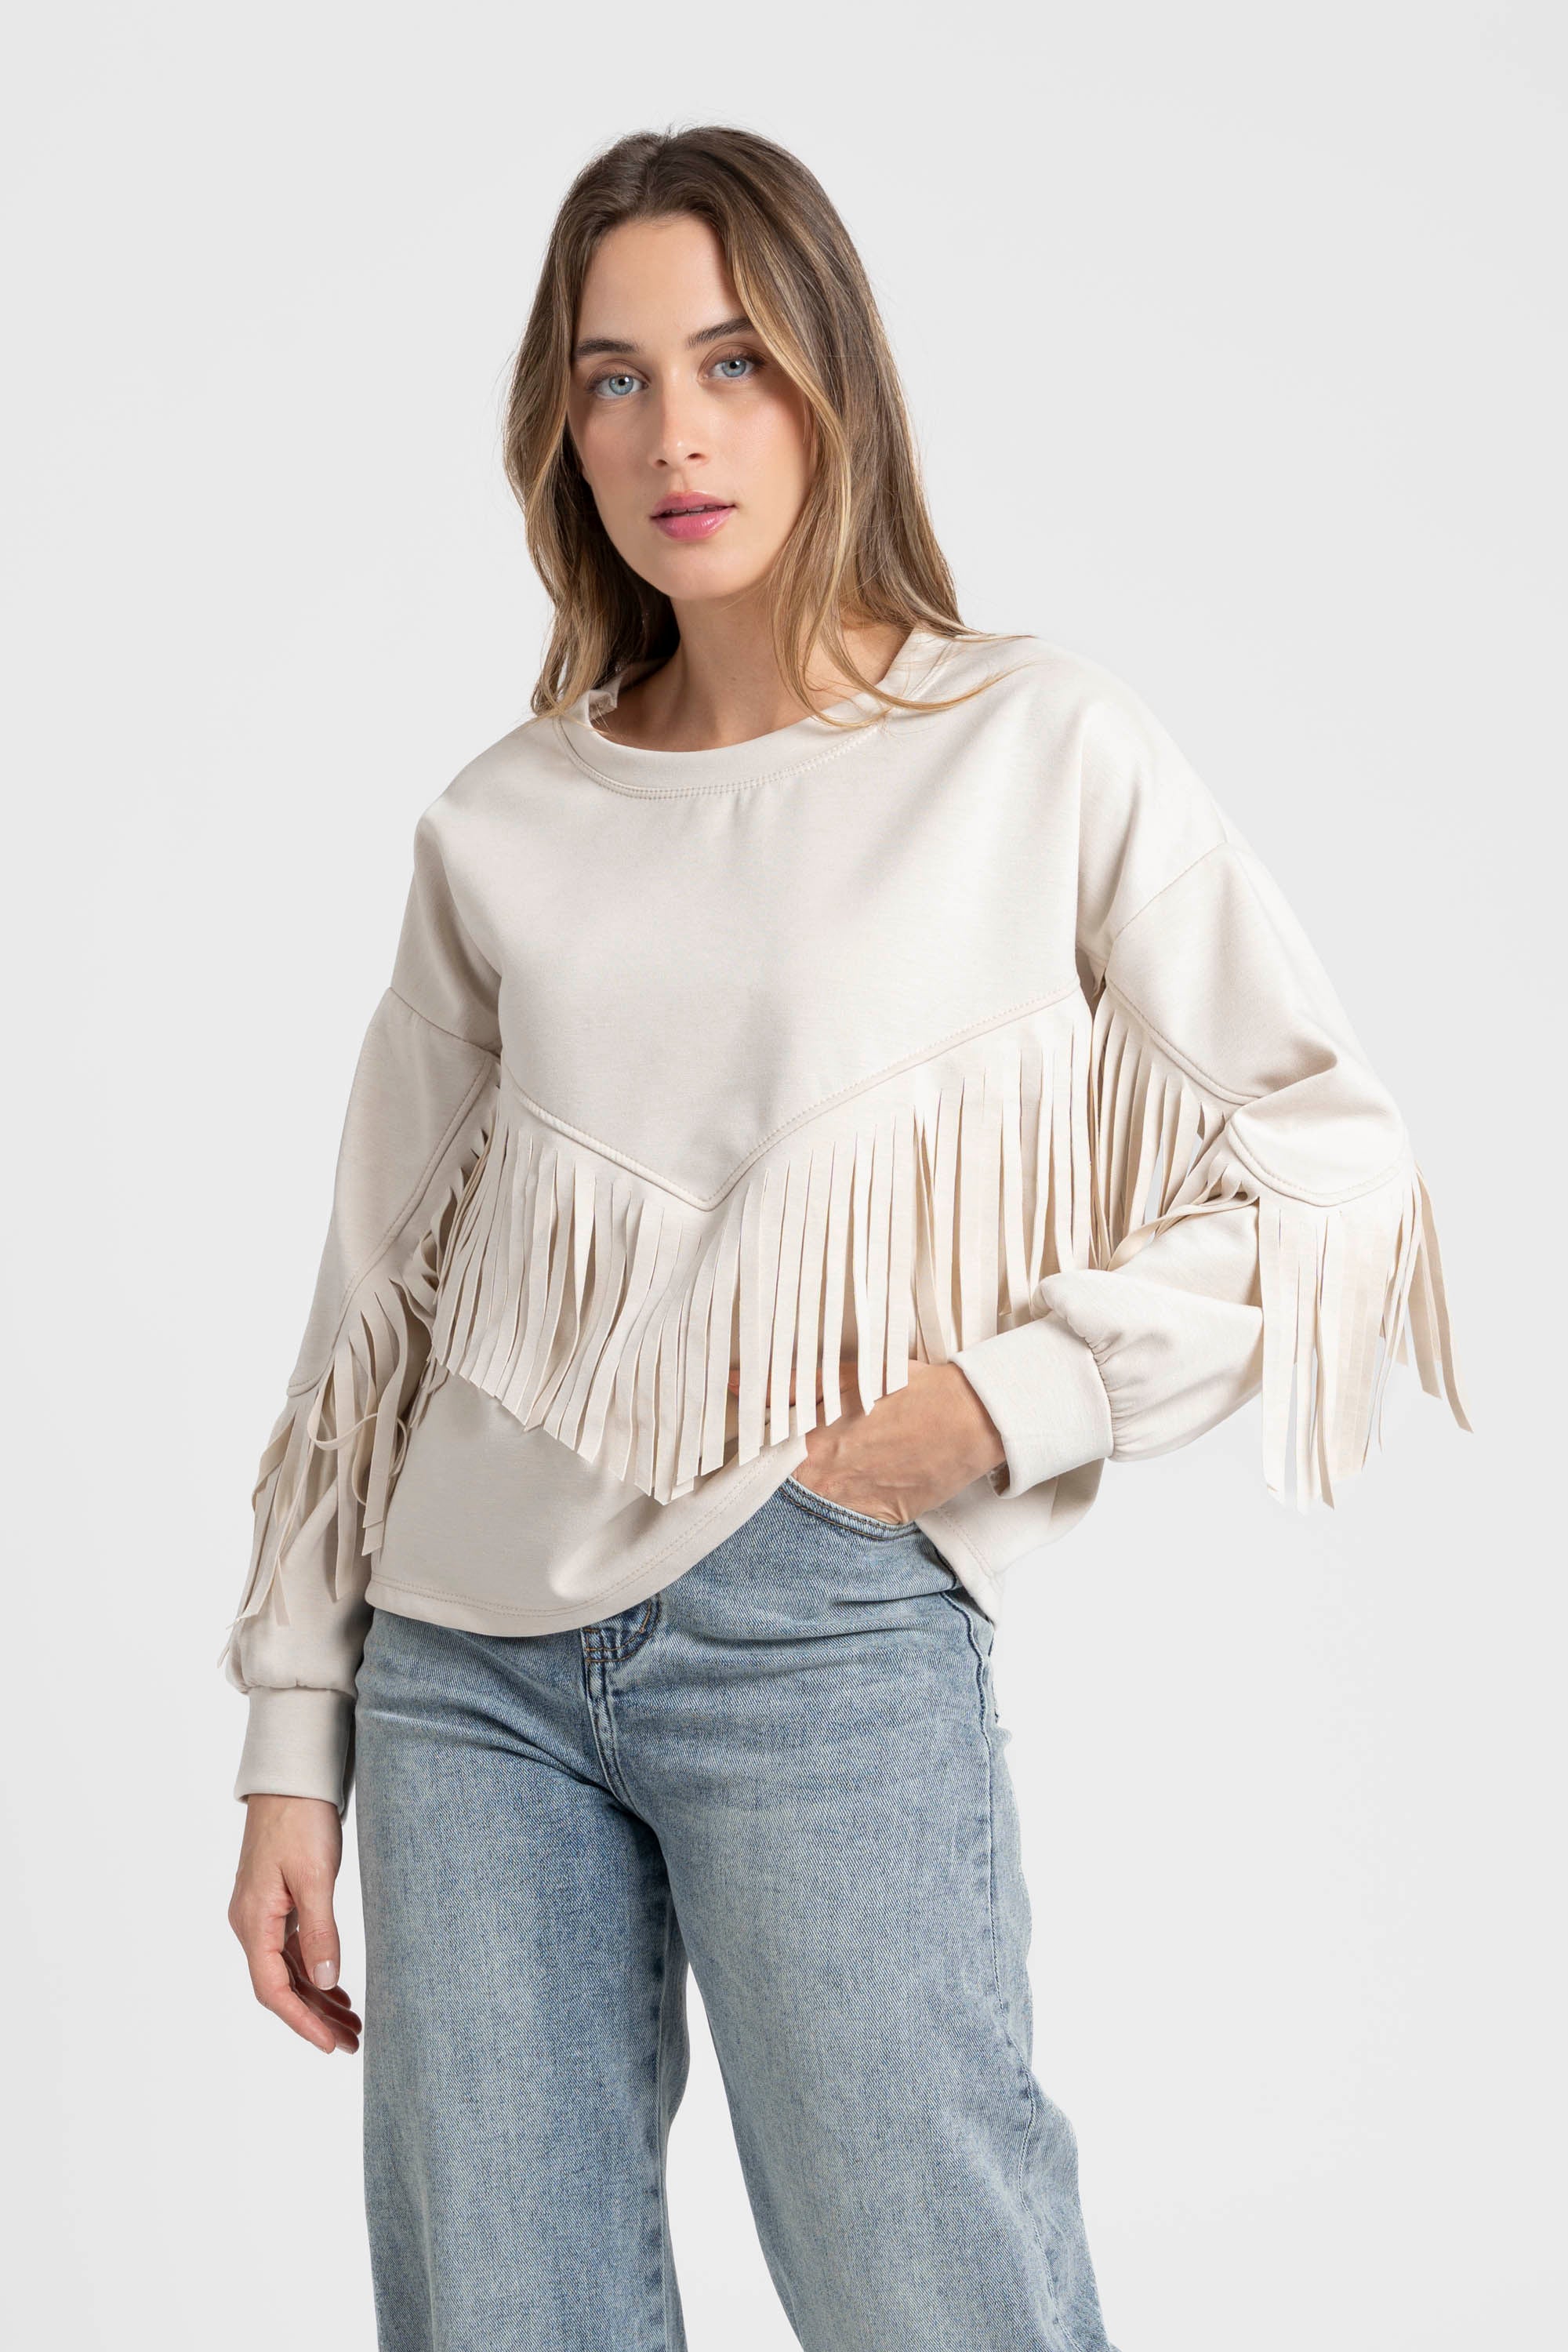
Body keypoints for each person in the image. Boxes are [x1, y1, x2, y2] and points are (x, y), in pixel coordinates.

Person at [222, 124, 1470, 2352]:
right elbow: (368, 1317)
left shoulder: (1028, 746)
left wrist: (1003, 1403)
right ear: (560, 430)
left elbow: (1334, 1153)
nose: (674, 435)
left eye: (731, 362)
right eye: (612, 380)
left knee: (935, 2292)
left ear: (833, 384)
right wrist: (293, 1741)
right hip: (465, 1666)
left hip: (820, 1617)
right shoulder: (502, 823)